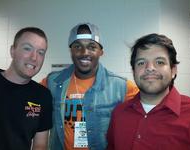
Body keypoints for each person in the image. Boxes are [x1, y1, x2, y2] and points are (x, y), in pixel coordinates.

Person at [41, 22, 139, 150]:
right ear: (71, 51)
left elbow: (147, 117)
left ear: (101, 52)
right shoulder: (52, 82)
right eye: (77, 46)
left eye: (92, 47)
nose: (84, 52)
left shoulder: (122, 87)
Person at [107, 33, 190, 150]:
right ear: (133, 72)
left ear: (173, 70)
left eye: (159, 62)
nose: (150, 68)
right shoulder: (119, 113)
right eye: (141, 63)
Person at [0, 27, 53, 150]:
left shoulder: (43, 96)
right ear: (12, 51)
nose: (34, 57)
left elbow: (40, 145)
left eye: (41, 52)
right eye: (27, 48)